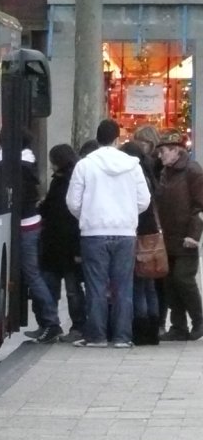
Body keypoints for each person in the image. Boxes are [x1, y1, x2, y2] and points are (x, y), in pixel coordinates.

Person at [66, 119, 150, 348]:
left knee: (96, 285)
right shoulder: (133, 165)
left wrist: (87, 216)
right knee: (124, 286)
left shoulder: (84, 165)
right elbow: (144, 200)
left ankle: (97, 336)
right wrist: (128, 214)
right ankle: (123, 337)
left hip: (93, 232)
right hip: (125, 232)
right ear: (117, 138)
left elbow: (73, 202)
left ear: (97, 137)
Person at [10, 130, 62, 343]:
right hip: (32, 224)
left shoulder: (17, 167)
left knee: (32, 275)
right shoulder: (28, 164)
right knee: (34, 274)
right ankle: (49, 321)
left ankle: (51, 321)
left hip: (25, 226)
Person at [154, 128, 203, 341]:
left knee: (183, 278)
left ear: (176, 151)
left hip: (185, 238)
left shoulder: (193, 171)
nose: (160, 155)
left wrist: (194, 235)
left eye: (163, 151)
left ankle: (199, 321)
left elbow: (199, 206)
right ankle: (178, 326)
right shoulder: (166, 172)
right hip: (168, 237)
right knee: (170, 281)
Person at [38, 144, 86, 343]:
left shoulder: (68, 181)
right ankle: (60, 325)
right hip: (58, 245)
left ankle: (73, 325)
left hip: (64, 244)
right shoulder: (62, 180)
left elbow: (67, 214)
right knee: (67, 288)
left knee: (70, 289)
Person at [119, 140, 161, 345]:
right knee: (149, 284)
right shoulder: (149, 174)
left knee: (138, 285)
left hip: (137, 232)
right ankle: (154, 328)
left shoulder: (134, 176)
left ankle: (142, 329)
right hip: (151, 234)